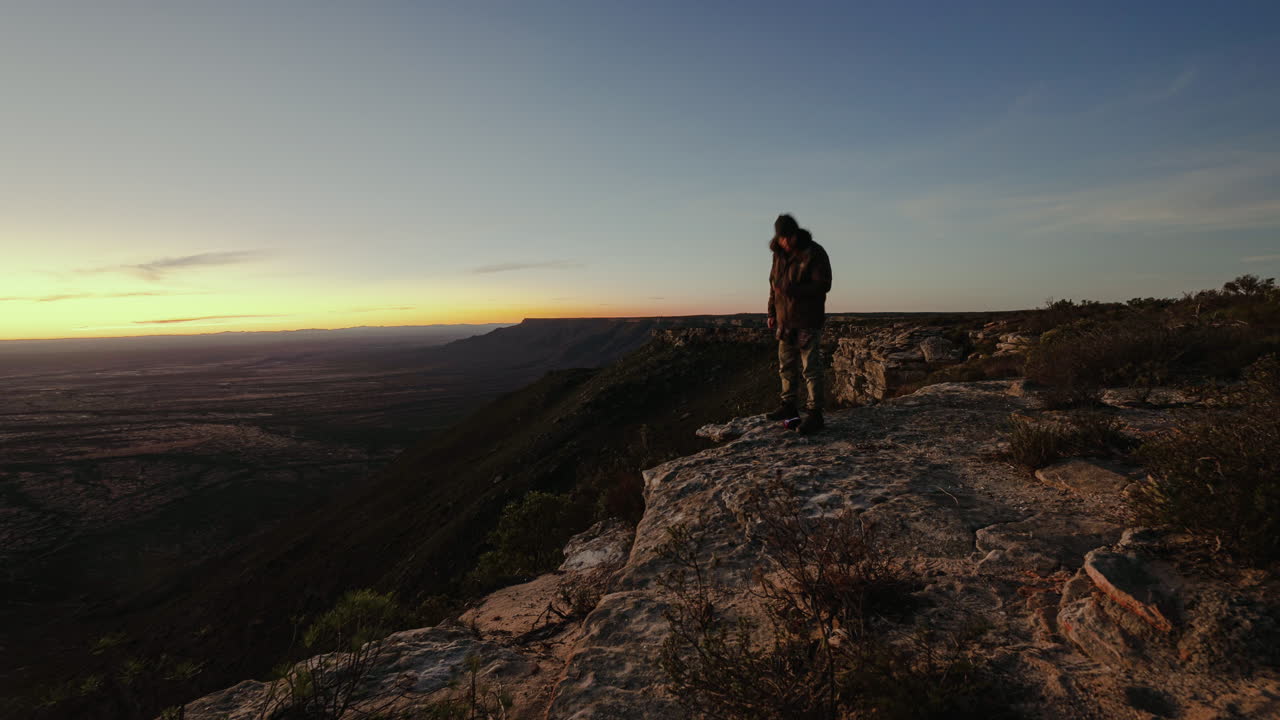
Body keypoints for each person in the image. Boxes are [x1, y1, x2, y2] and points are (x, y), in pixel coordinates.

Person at [765, 214, 832, 434]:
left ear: (795, 234)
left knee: (810, 368)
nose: (785, 242)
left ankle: (815, 415)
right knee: (786, 366)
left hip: (806, 319)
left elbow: (823, 285)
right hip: (785, 321)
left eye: (788, 237)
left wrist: (794, 290)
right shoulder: (778, 255)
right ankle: (789, 408)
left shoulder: (814, 253)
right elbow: (773, 285)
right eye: (781, 237)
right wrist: (772, 311)